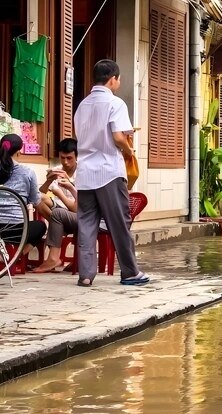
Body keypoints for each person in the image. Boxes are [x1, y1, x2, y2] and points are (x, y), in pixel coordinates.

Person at [73, 59, 150, 287]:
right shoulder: (116, 103)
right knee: (119, 222)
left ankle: (86, 275)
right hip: (109, 170)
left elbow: (80, 137)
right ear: (113, 79)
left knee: (86, 223)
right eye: (119, 78)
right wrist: (129, 150)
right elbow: (118, 137)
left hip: (85, 171)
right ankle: (130, 272)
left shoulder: (82, 105)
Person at [0, 133, 48, 247]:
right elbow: (35, 200)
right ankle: (17, 255)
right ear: (18, 152)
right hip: (16, 231)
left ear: (0, 150)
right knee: (41, 226)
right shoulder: (28, 172)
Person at [33, 138, 79, 273]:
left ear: (77, 156)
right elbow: (40, 193)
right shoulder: (57, 169)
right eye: (62, 158)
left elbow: (76, 208)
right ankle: (59, 227)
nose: (65, 162)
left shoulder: (83, 172)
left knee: (58, 214)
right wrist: (49, 181)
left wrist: (65, 187)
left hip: (77, 214)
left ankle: (53, 257)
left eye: (69, 158)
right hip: (60, 211)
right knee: (37, 198)